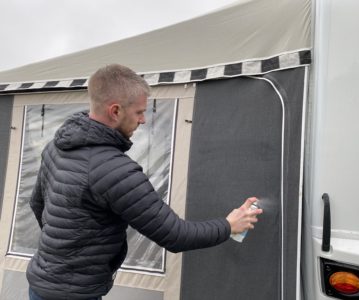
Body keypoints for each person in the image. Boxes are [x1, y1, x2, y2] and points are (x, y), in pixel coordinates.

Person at [27, 64, 262, 300]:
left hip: (39, 284)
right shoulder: (115, 170)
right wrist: (229, 225)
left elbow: (37, 204)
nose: (143, 120)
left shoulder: (57, 145)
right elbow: (176, 235)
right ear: (115, 111)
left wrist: (62, 248)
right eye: (139, 112)